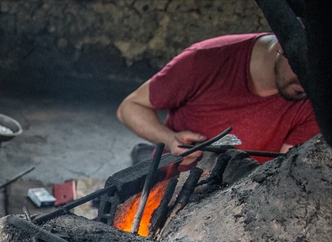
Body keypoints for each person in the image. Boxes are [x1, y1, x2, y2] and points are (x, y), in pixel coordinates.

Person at [117, 33, 318, 161]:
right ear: (283, 46)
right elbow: (130, 107)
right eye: (303, 69)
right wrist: (169, 139)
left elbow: (285, 171)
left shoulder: (316, 98)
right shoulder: (205, 59)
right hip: (170, 189)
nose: (310, 85)